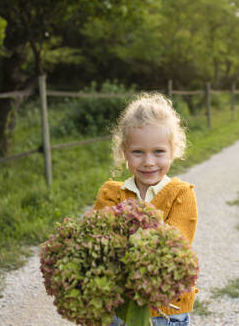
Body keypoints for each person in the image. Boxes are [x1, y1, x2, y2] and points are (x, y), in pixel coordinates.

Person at [94, 93, 198, 326]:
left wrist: (124, 240)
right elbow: (99, 245)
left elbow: (173, 248)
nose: (148, 161)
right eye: (138, 152)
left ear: (174, 149)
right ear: (124, 152)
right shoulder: (110, 194)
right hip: (119, 309)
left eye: (158, 152)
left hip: (167, 311)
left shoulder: (181, 194)